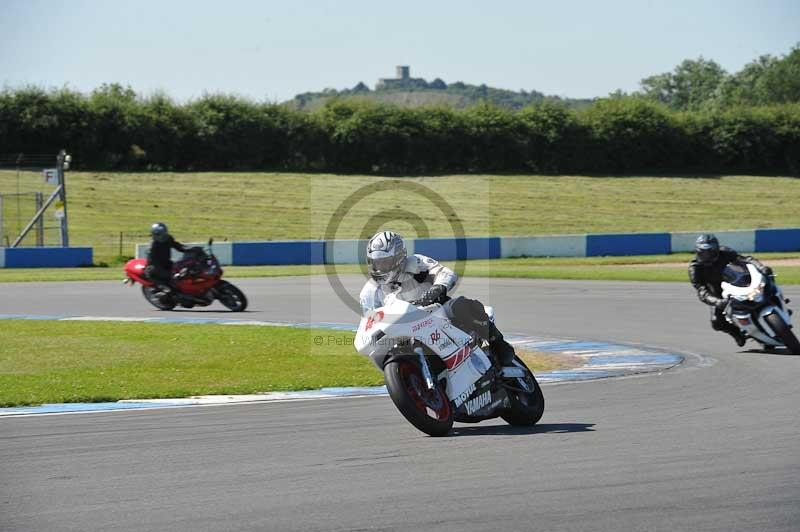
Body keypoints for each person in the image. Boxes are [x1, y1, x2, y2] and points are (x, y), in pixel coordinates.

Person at [359, 230, 516, 365]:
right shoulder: (370, 292)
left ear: (399, 257)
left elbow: (446, 274)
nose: (380, 268)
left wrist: (436, 290)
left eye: (384, 262)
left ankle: (498, 342)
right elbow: (370, 323)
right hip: (403, 332)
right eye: (376, 263)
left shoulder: (416, 264)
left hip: (436, 313)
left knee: (461, 305)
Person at [688, 233, 772, 347]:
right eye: (703, 251)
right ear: (698, 251)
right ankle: (737, 333)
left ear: (716, 249)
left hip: (739, 281)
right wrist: (717, 302)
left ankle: (775, 298)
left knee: (766, 278)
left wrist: (761, 267)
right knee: (717, 322)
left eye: (710, 251)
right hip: (719, 294)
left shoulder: (725, 252)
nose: (706, 255)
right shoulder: (695, 268)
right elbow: (702, 291)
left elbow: (745, 259)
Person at [145, 222, 188, 294]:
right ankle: (160, 288)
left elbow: (177, 246)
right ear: (155, 234)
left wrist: (189, 249)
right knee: (170, 278)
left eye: (164, 233)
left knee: (182, 272)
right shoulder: (153, 246)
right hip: (155, 267)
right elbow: (151, 261)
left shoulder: (168, 238)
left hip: (166, 262)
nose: (163, 235)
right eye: (160, 234)